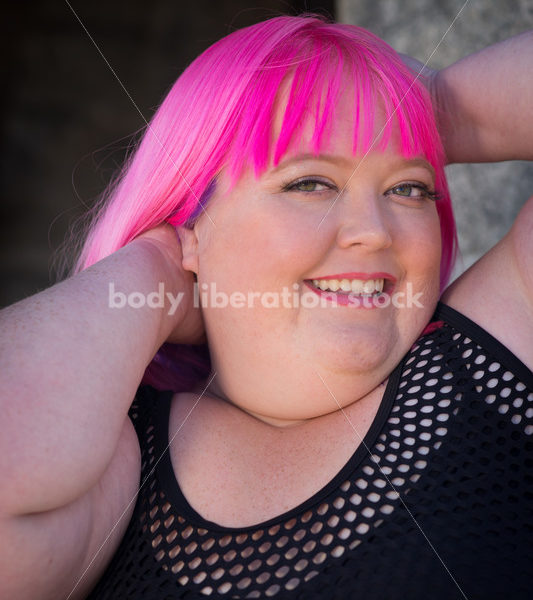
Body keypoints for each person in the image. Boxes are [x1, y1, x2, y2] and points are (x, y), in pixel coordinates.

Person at [0, 14, 531, 600]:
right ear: (192, 225)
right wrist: (154, 270)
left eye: (408, 187)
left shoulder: (489, 364)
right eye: (311, 184)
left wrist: (431, 108)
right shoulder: (118, 463)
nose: (373, 232)